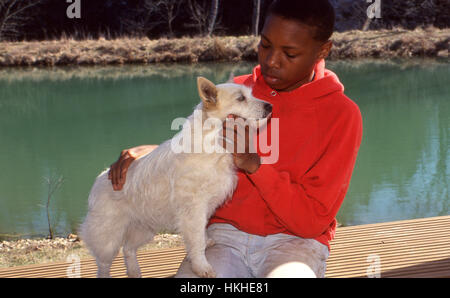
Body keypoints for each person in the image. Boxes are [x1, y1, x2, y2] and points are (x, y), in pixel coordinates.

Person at [108, 0, 363, 278]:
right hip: (223, 236)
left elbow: (310, 221)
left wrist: (255, 165)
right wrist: (155, 154)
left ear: (323, 50)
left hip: (295, 243)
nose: (271, 61)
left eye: (289, 54)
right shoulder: (237, 92)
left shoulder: (341, 115)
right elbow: (199, 152)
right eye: (265, 45)